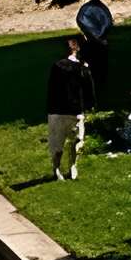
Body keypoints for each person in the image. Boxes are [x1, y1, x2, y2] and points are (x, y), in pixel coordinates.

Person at [44, 33, 95, 180]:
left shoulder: (58, 66)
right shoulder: (81, 68)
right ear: (77, 48)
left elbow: (51, 89)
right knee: (75, 142)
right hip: (72, 111)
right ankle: (69, 167)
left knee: (60, 144)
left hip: (59, 110)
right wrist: (91, 105)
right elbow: (88, 89)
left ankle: (59, 168)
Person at [74, 0, 116, 93]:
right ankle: (96, 88)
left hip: (96, 42)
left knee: (98, 68)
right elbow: (85, 23)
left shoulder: (91, 9)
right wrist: (99, 37)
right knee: (96, 68)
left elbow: (105, 24)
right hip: (96, 42)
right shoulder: (92, 9)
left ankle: (97, 88)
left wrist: (97, 37)